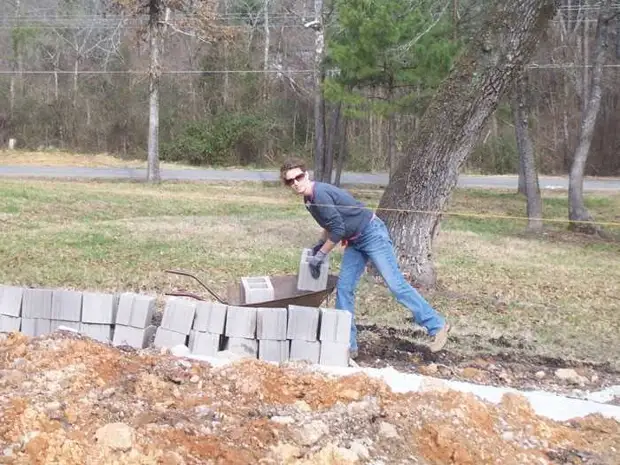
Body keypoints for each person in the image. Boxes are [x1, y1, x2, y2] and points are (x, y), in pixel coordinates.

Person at [280, 157, 451, 357]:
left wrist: (321, 255)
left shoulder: (320, 195)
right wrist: (319, 245)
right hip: (354, 240)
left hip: (371, 233)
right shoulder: (309, 200)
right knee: (344, 289)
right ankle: (348, 346)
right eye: (290, 181)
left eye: (298, 177)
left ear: (306, 174)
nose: (295, 183)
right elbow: (330, 225)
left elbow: (337, 229)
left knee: (395, 284)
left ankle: (437, 325)